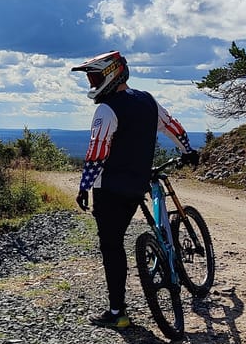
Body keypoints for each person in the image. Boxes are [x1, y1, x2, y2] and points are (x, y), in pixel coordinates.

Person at [72, 51, 199, 329]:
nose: (92, 83)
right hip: (136, 184)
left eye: (94, 77)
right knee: (132, 235)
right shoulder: (148, 101)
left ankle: (118, 312)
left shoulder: (106, 110)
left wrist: (84, 187)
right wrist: (188, 151)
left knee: (112, 246)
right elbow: (173, 126)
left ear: (111, 74)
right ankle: (166, 258)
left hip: (109, 188)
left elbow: (97, 153)